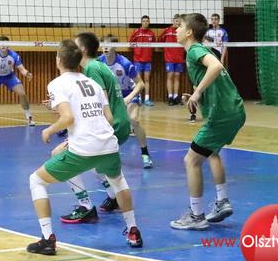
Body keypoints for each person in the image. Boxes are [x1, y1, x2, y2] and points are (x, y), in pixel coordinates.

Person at [26, 40, 142, 256]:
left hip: (83, 150)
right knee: (119, 182)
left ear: (58, 60)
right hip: (108, 145)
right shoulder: (93, 83)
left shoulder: (57, 83)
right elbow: (108, 118)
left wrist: (49, 130)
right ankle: (133, 231)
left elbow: (68, 118)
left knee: (36, 181)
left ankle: (48, 239)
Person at [170, 13, 246, 230]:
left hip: (222, 115)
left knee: (191, 160)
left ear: (189, 32)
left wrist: (197, 93)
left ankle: (196, 216)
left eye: (179, 26)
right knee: (211, 152)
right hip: (234, 111)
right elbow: (213, 79)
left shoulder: (195, 50)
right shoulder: (198, 51)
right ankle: (222, 201)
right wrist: (195, 95)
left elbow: (216, 67)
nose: (175, 29)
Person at [57, 32, 134, 224]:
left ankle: (85, 206)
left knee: (61, 155)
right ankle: (114, 196)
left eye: (74, 45)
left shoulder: (91, 68)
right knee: (97, 163)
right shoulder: (98, 65)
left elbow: (100, 103)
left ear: (82, 50)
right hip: (120, 122)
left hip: (112, 124)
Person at [99, 35, 152, 169]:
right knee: (107, 123)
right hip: (111, 96)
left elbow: (140, 84)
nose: (105, 47)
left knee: (134, 120)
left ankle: (145, 154)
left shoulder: (125, 63)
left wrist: (128, 98)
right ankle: (106, 154)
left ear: (115, 47)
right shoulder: (98, 63)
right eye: (103, 44)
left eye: (108, 45)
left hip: (128, 93)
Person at [129, 15, 156, 106]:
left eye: (147, 21)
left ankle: (147, 99)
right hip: (138, 60)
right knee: (138, 80)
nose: (145, 23)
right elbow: (131, 44)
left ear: (149, 22)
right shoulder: (136, 32)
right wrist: (138, 52)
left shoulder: (151, 33)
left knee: (147, 79)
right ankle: (139, 98)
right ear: (141, 22)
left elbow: (153, 46)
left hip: (147, 60)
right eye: (144, 21)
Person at [159, 14, 185, 106]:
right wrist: (167, 51)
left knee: (177, 76)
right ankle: (170, 97)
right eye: (176, 21)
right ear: (173, 21)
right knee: (170, 76)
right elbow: (160, 41)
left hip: (179, 58)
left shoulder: (182, 31)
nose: (178, 23)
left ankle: (175, 96)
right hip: (170, 58)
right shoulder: (167, 31)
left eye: (179, 21)